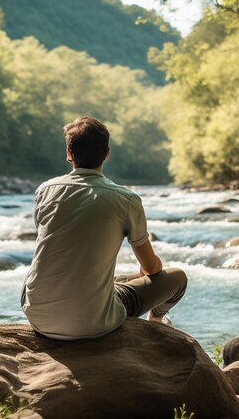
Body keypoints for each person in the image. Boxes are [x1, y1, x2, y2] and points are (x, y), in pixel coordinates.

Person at [21, 116, 187, 340]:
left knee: (109, 279)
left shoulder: (45, 190)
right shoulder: (126, 199)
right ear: (107, 154)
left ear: (69, 153)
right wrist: (150, 273)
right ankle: (156, 322)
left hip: (36, 315)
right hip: (93, 323)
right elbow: (151, 267)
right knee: (177, 277)